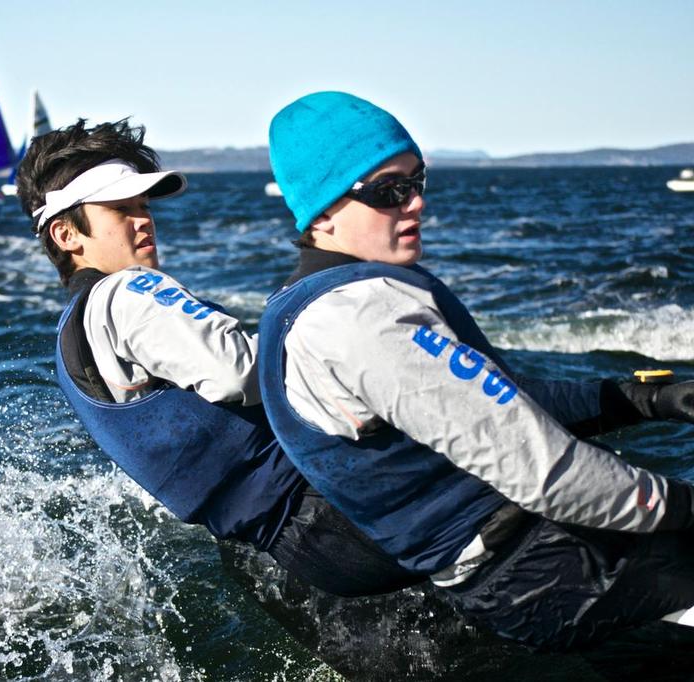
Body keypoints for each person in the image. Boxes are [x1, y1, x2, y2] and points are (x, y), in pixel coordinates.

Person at [259, 90, 694, 651]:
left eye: (417, 182)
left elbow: (502, 403)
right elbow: (544, 472)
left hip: (530, 571)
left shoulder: (303, 306)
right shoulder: (359, 319)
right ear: (323, 213)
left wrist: (642, 400)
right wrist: (683, 505)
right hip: (551, 569)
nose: (414, 203)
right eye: (389, 191)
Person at [15, 118, 424, 598]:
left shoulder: (71, 339)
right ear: (66, 235)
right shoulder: (127, 291)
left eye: (144, 206)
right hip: (328, 504)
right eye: (121, 209)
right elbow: (241, 372)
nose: (144, 219)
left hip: (288, 548)